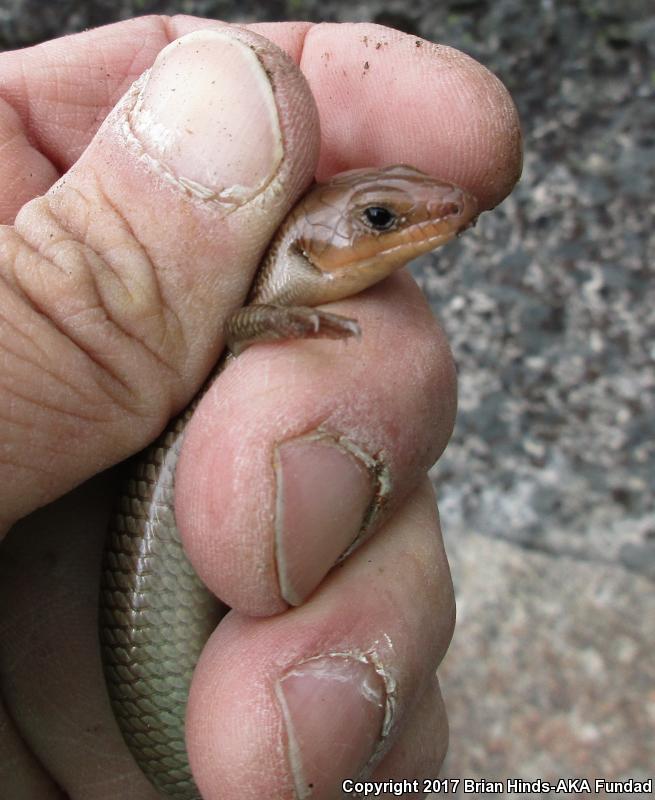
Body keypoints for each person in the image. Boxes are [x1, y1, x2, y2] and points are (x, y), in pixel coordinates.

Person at [0, 16, 521, 800]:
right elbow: (245, 326)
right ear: (307, 252)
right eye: (381, 217)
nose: (432, 212)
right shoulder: (253, 314)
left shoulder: (266, 308)